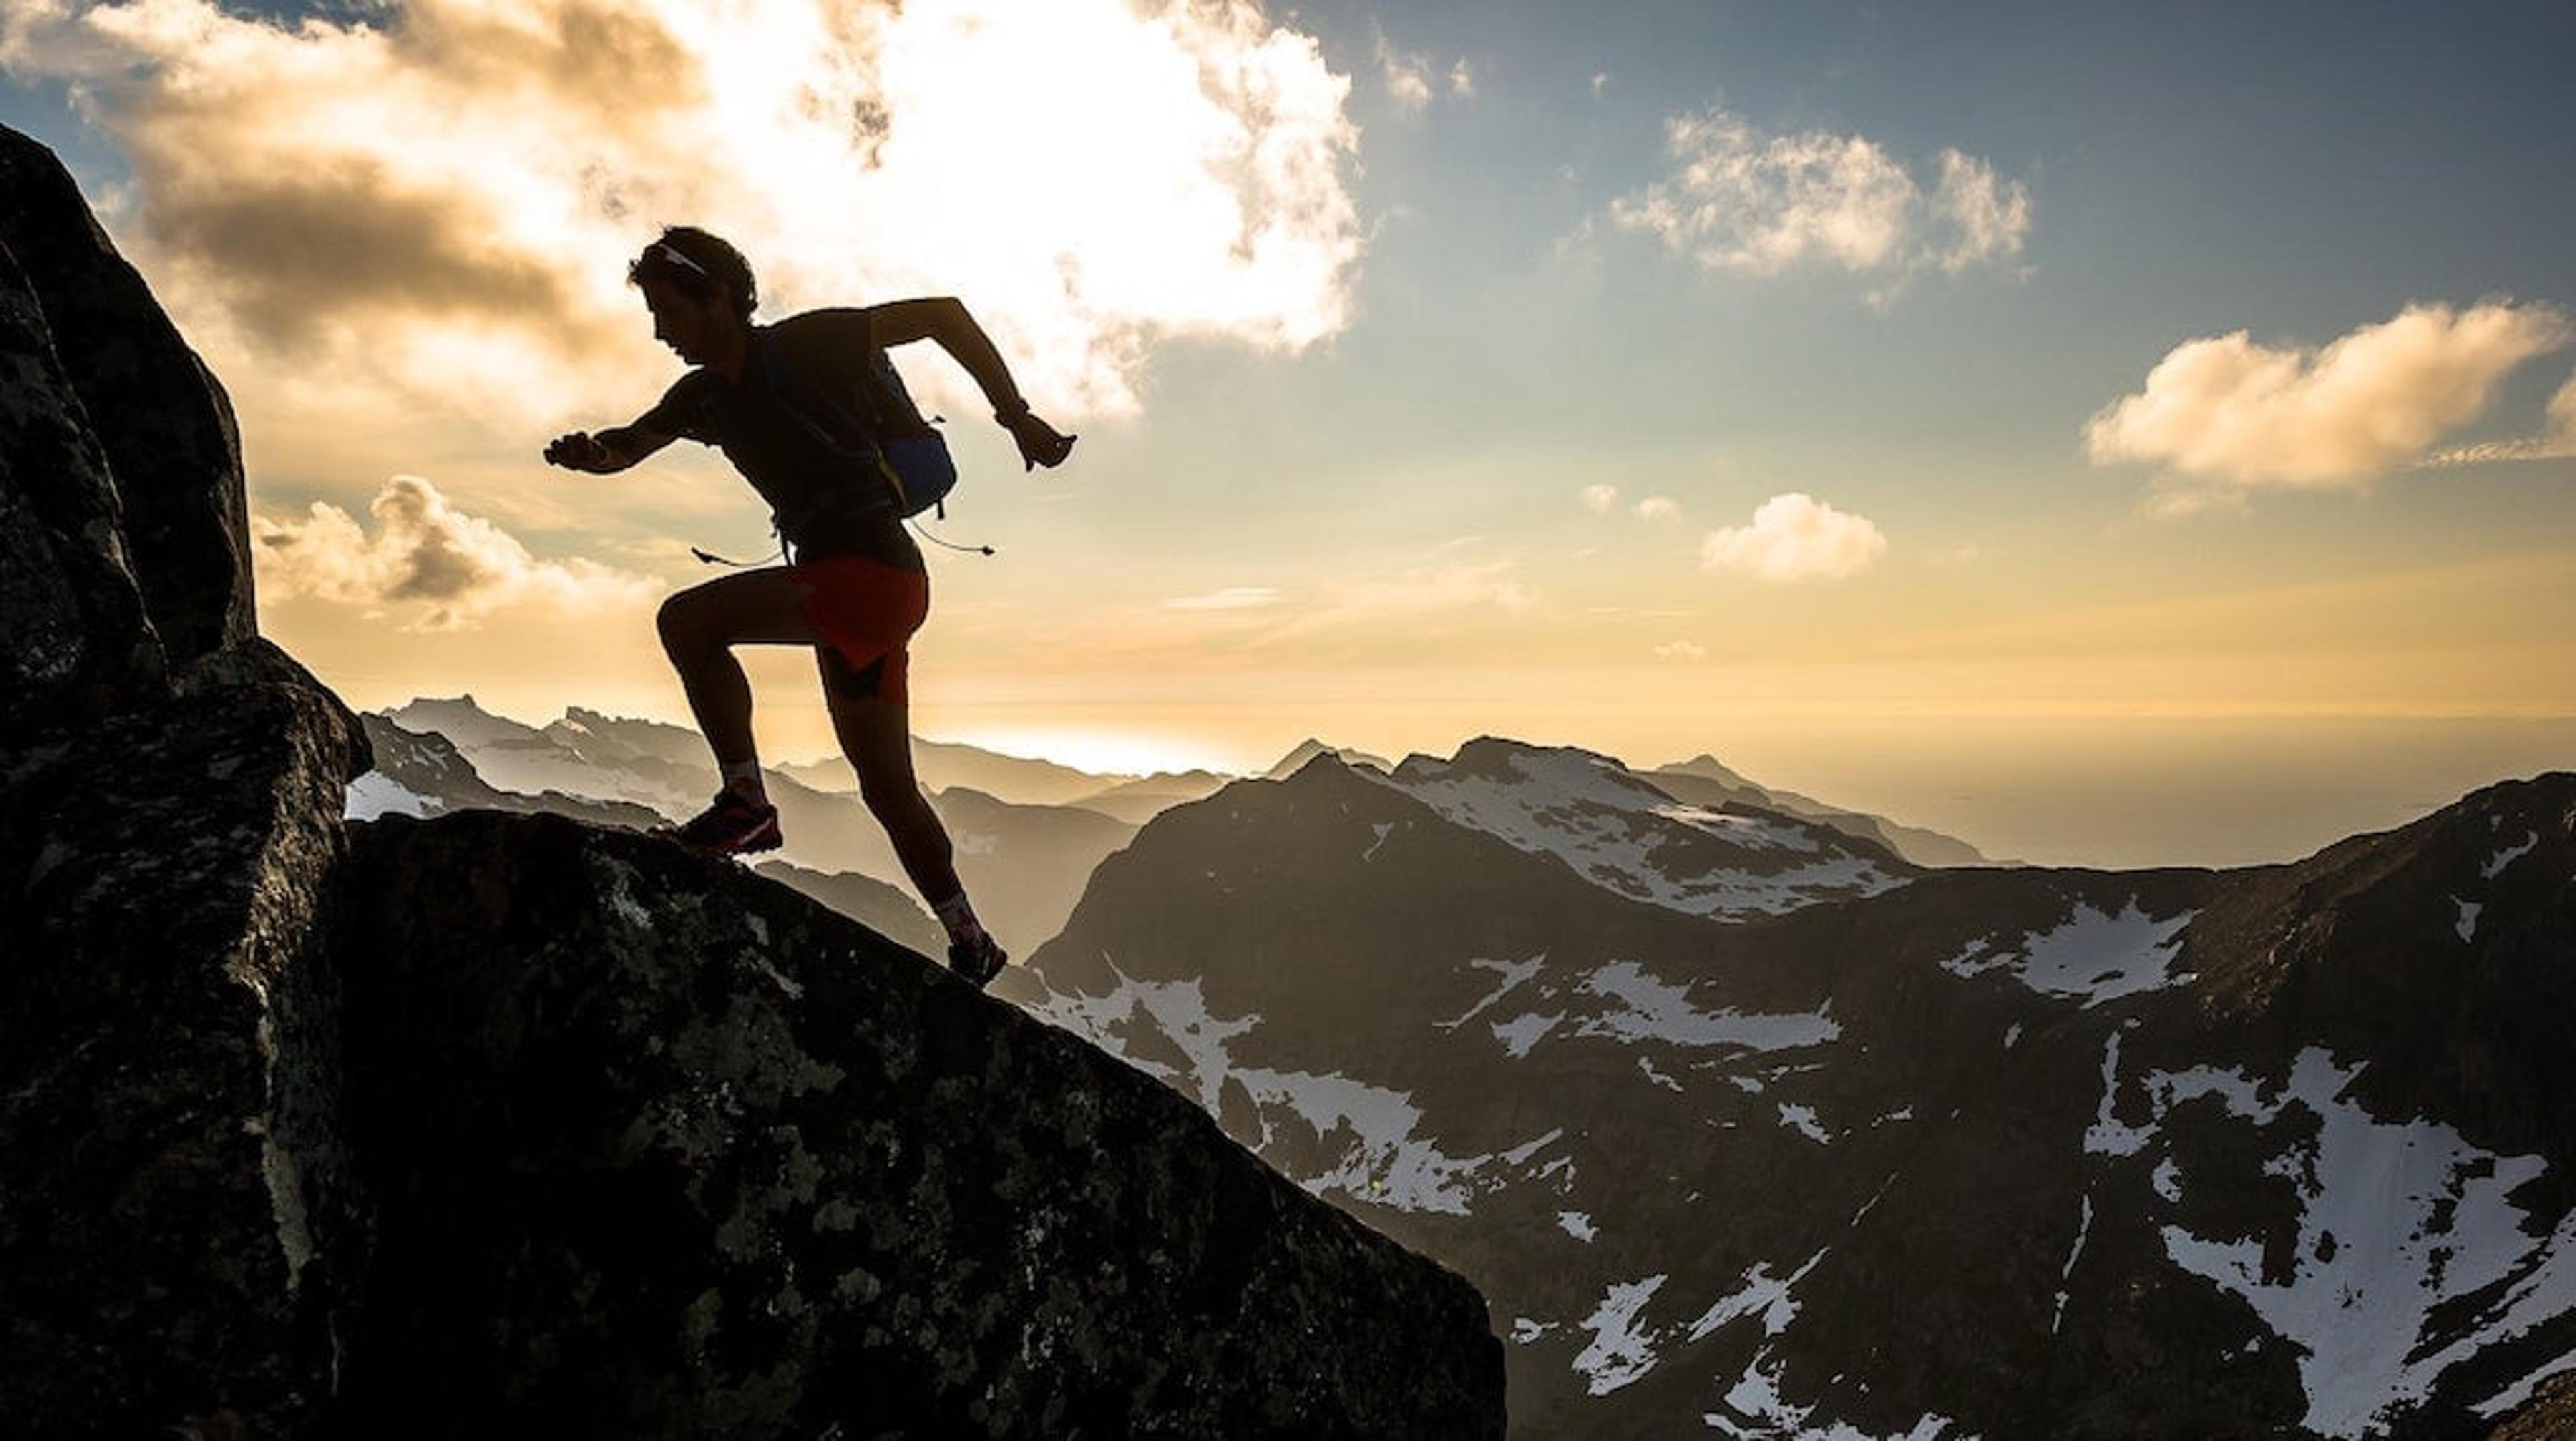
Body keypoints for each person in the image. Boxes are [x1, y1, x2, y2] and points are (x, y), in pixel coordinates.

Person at [543, 226, 1074, 988]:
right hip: (867, 586)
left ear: (720, 297)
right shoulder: (701, 398)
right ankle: (971, 938)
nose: (661, 332)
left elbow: (946, 315)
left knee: (687, 622)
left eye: (670, 311)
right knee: (886, 787)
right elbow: (629, 446)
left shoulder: (811, 344)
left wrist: (1014, 415)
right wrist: (592, 456)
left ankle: (745, 801)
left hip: (868, 575)